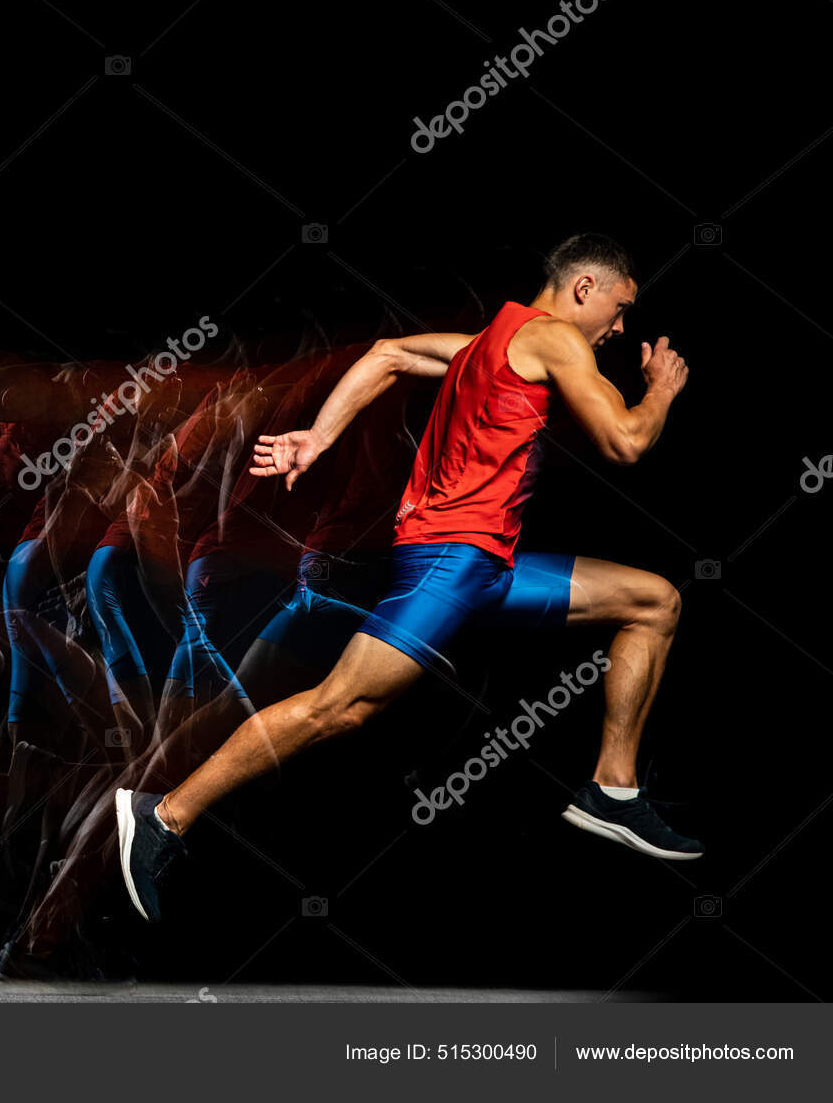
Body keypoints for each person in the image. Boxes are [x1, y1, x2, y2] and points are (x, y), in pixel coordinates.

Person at [116, 233, 700, 926]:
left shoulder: (492, 342)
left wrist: (318, 437)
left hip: (488, 569)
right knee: (340, 707)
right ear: (585, 288)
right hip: (450, 564)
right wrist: (660, 391)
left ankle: (613, 789)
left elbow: (389, 355)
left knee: (653, 601)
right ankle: (163, 813)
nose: (620, 326)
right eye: (620, 305)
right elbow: (626, 441)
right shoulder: (555, 339)